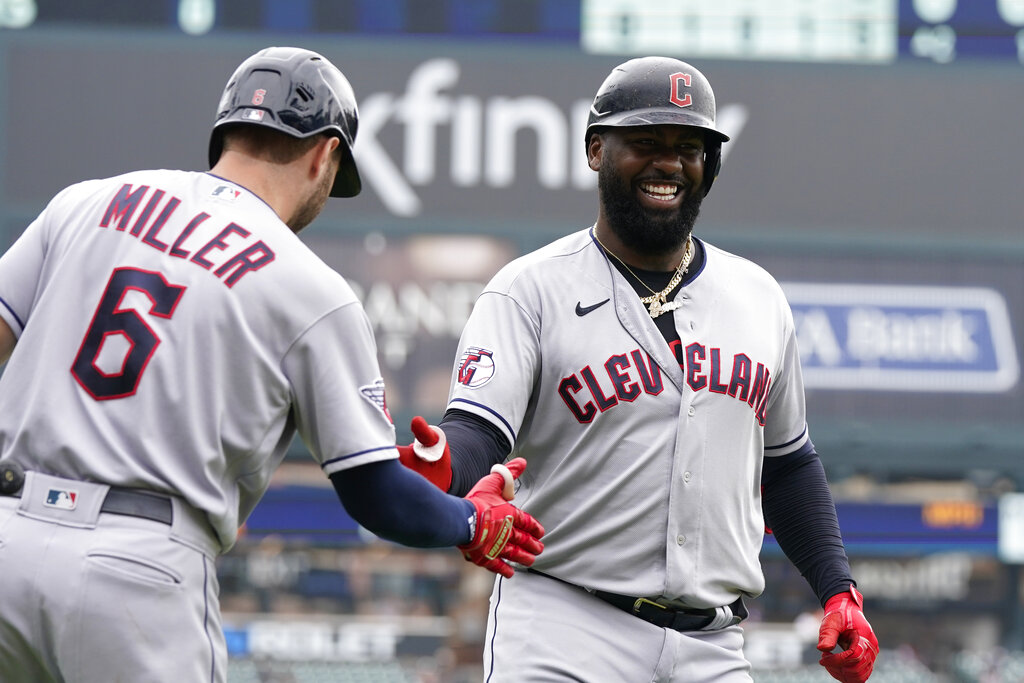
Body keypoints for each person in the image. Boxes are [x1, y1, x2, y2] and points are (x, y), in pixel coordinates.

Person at [0, 46, 543, 683]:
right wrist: (472, 521)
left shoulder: (85, 203)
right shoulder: (310, 286)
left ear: (225, 132)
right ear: (325, 153)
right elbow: (377, 496)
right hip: (138, 568)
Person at [398, 56, 877, 682]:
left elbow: (787, 466)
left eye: (690, 147)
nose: (669, 163)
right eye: (645, 142)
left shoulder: (758, 298)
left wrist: (838, 588)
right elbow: (478, 432)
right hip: (565, 623)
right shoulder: (529, 290)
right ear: (597, 149)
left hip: (715, 644)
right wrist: (446, 468)